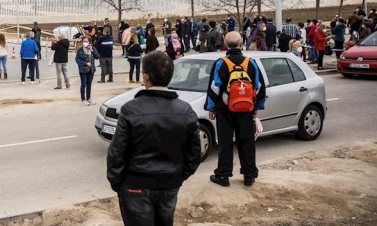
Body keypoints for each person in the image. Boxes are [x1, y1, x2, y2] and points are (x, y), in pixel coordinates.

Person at [107, 51, 202, 225]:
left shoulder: (130, 109)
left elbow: (116, 153)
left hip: (136, 184)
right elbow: (195, 153)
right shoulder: (186, 110)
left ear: (145, 77)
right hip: (168, 183)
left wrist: (118, 183)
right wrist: (178, 176)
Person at [205, 32, 266, 187]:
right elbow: (259, 87)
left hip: (225, 110)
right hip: (246, 109)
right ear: (241, 45)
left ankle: (223, 175)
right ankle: (249, 175)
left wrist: (211, 108)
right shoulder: (250, 63)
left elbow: (214, 88)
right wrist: (256, 107)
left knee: (225, 142)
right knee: (246, 141)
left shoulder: (221, 63)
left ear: (225, 45)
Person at [76, 37, 100, 106]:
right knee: (83, 84)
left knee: (89, 84)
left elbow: (98, 56)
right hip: (83, 70)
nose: (85, 43)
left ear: (89, 42)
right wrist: (85, 63)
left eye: (86, 41)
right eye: (84, 41)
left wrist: (92, 50)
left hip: (91, 70)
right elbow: (77, 60)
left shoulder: (92, 49)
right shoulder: (80, 50)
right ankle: (83, 99)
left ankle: (88, 98)